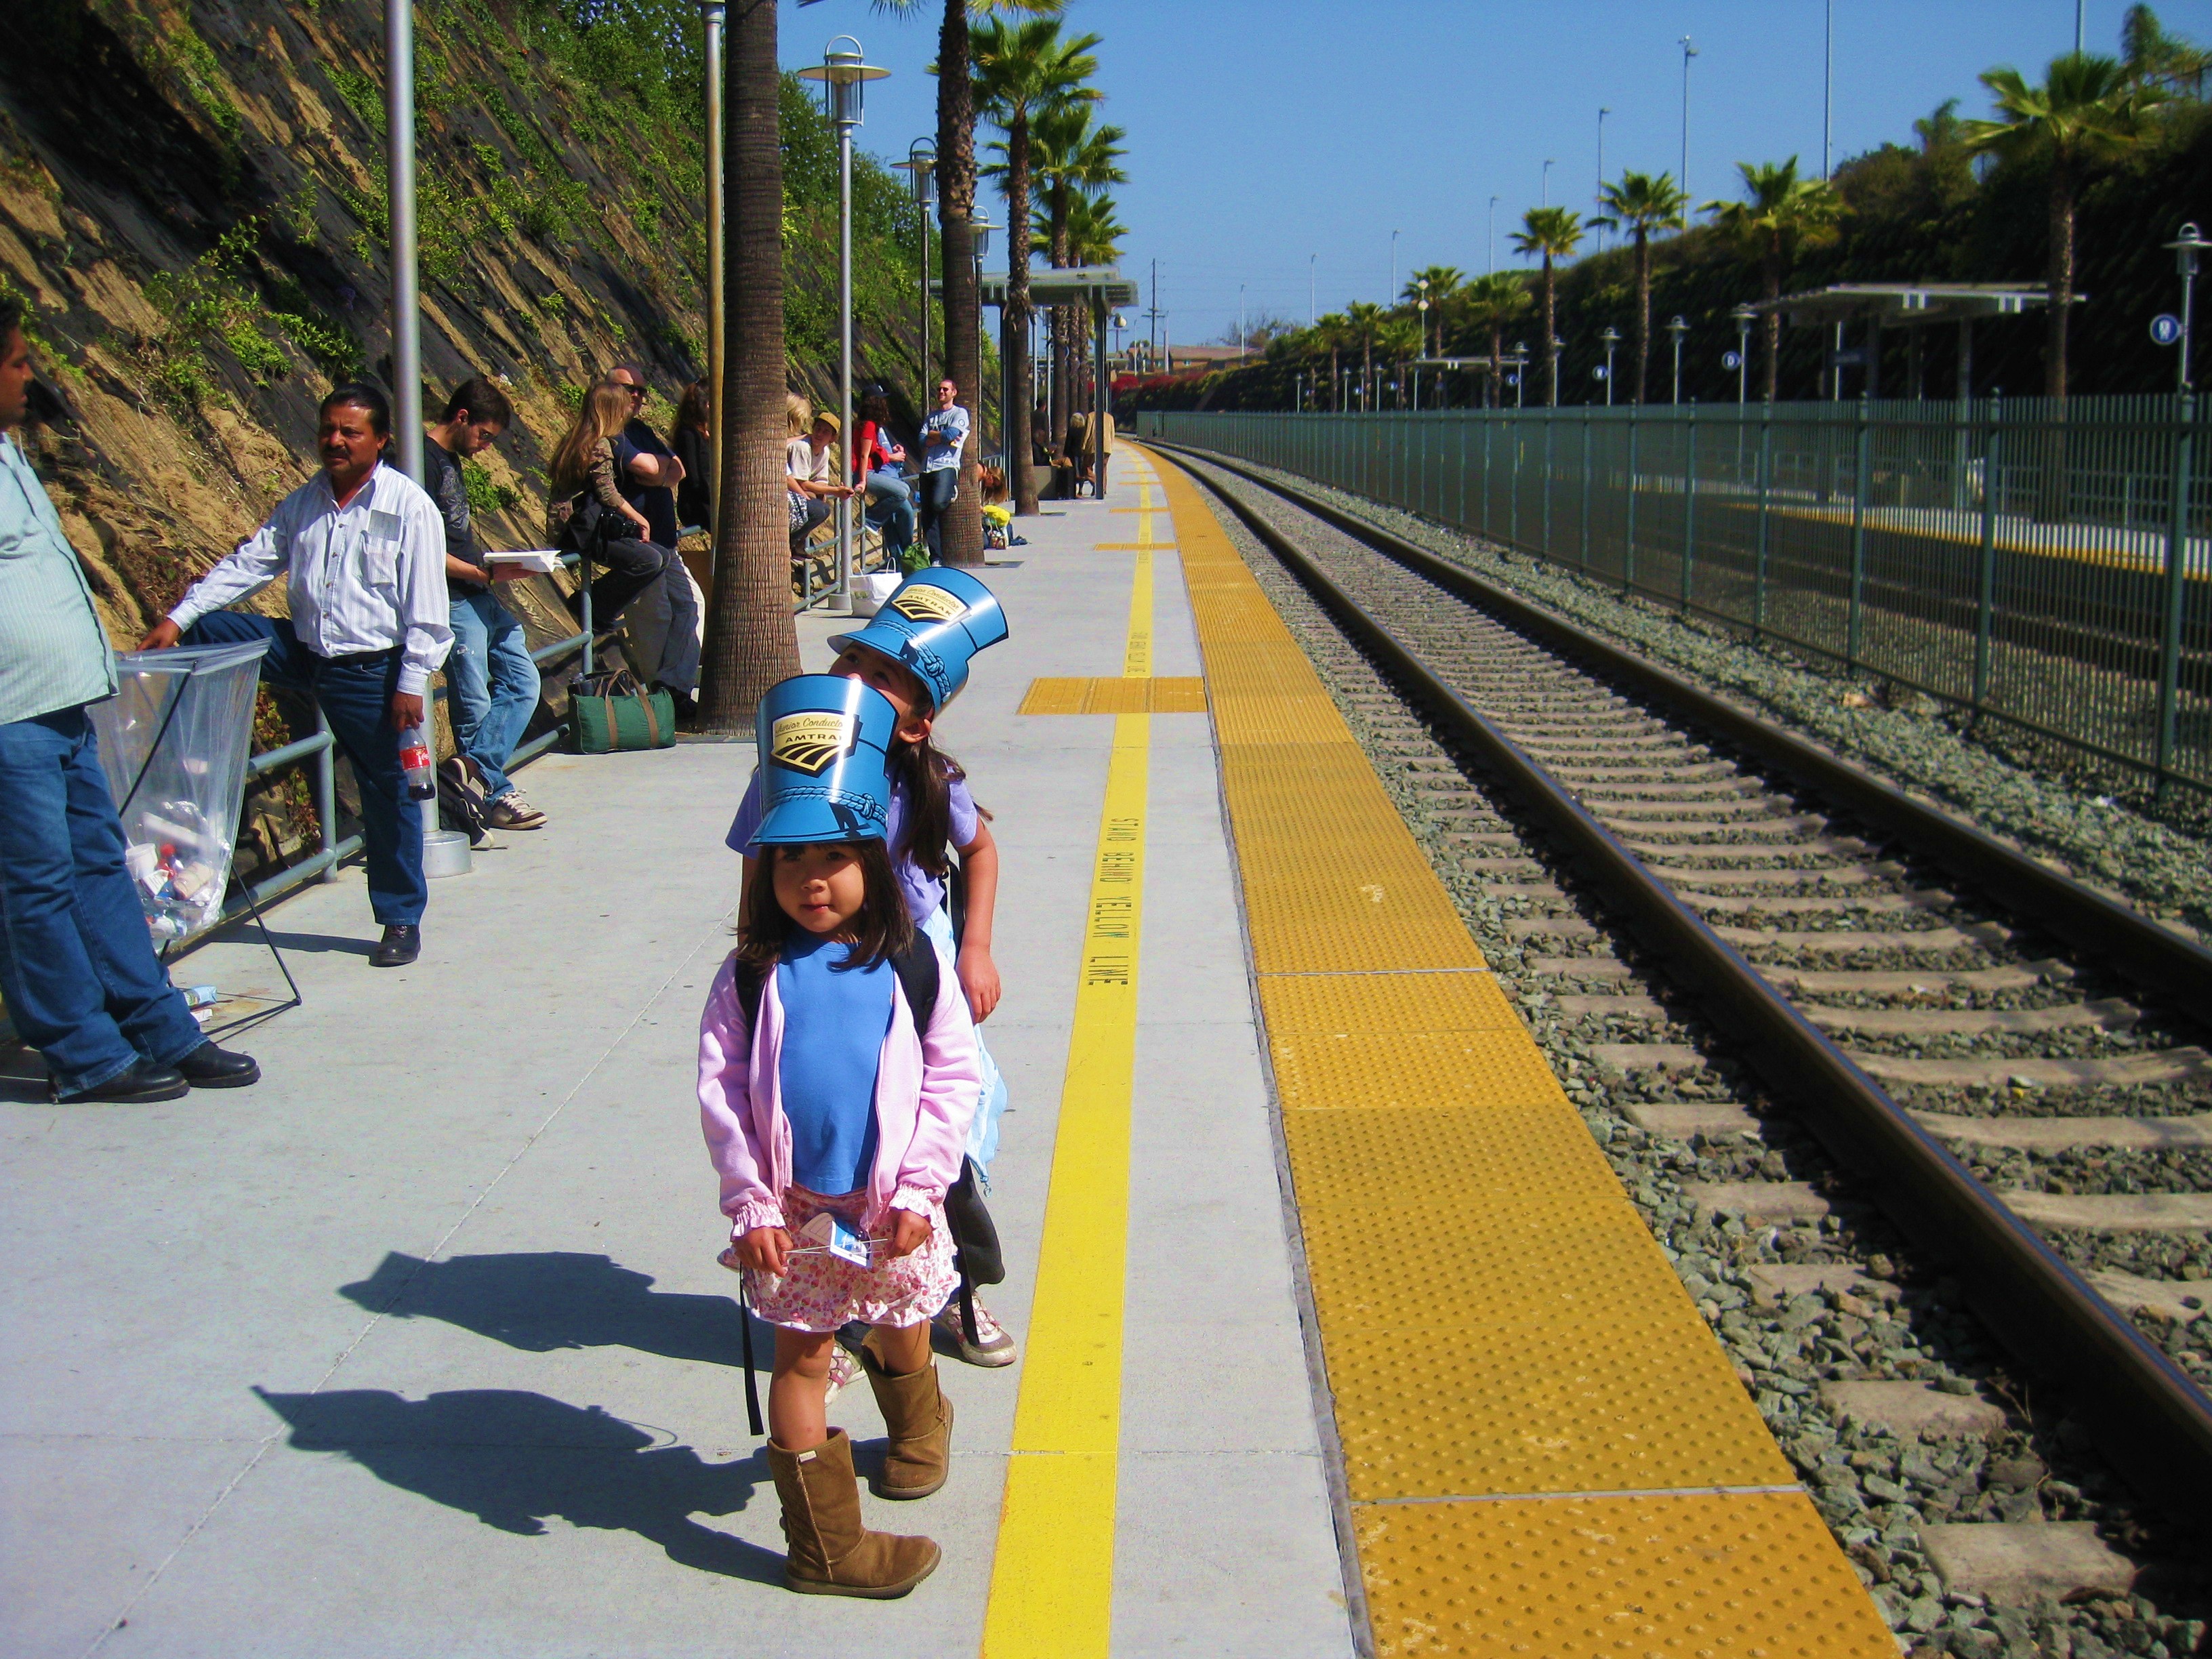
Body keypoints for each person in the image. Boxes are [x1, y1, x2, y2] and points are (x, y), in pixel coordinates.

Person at [700, 672, 979, 1598]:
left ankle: (917, 1424)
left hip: (893, 1207)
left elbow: (951, 1079)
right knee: (803, 1356)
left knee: (903, 1328)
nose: (809, 880)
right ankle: (826, 1549)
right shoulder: (749, 975)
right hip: (797, 1217)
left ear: (872, 858)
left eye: (831, 858)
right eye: (787, 862)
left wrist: (920, 1190)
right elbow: (722, 1095)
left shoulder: (912, 963)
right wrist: (748, 1200)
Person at [726, 568, 1017, 1368]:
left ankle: (959, 1294)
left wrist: (976, 950)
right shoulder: (784, 772)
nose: (856, 681)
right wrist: (756, 963)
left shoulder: (926, 781)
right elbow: (758, 866)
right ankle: (834, 1315)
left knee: (937, 1156)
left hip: (907, 981)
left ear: (919, 723)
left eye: (884, 678)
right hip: (815, 976)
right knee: (826, 1155)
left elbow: (980, 851)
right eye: (854, 662)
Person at [0, 297, 259, 1101]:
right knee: (35, 889)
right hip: (10, 716)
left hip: (65, 705)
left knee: (99, 872)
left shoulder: (9, 451)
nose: (28, 373)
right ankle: (84, 1054)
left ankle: (158, 1027)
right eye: (14, 361)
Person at [141, 384, 450, 970]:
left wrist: (412, 682)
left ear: (380, 441)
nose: (335, 441)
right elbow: (251, 562)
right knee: (212, 631)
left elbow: (428, 610)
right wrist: (179, 617)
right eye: (328, 430)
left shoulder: (409, 508)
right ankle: (184, 747)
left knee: (388, 796)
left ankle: (400, 917)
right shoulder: (305, 502)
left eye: (350, 432)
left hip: (371, 671)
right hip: (307, 652)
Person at [421, 376, 546, 833]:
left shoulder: (448, 460)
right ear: (461, 417)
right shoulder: (418, 462)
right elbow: (418, 546)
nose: (486, 447)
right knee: (472, 695)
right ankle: (493, 795)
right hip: (452, 593)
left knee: (522, 680)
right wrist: (479, 572)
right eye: (484, 435)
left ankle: (468, 770)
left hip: (479, 588)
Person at [608, 365, 699, 720]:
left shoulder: (641, 430)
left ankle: (672, 688)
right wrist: (659, 473)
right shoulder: (611, 433)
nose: (637, 397)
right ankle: (662, 698)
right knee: (655, 618)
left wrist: (659, 472)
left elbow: (678, 470)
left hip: (666, 541)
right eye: (630, 389)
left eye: (642, 391)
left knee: (690, 606)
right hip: (639, 543)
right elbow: (648, 470)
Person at [546, 382, 665, 629]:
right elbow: (607, 493)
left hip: (572, 525)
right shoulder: (600, 445)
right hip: (580, 530)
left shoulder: (575, 438)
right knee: (650, 561)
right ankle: (593, 608)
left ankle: (596, 607)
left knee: (661, 556)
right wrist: (639, 519)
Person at [851, 388, 915, 558]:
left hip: (871, 472)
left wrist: (889, 452)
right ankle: (869, 519)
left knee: (902, 500)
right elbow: (864, 455)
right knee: (903, 491)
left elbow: (874, 451)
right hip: (866, 473)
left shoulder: (871, 426)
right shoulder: (869, 426)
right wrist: (863, 481)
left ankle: (901, 559)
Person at [786, 411, 857, 560]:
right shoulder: (802, 447)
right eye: (818, 428)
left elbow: (820, 480)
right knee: (819, 510)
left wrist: (823, 495)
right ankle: (790, 542)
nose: (819, 434)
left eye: (826, 432)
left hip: (796, 491)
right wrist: (835, 491)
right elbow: (801, 483)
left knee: (822, 507)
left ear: (832, 438)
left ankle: (799, 543)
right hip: (788, 490)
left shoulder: (824, 451)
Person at [916, 377, 968, 564]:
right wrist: (939, 438)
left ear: (954, 392)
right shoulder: (932, 417)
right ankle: (936, 557)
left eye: (946, 389)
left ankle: (951, 489)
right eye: (939, 389)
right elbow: (921, 440)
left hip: (946, 465)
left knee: (938, 503)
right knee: (928, 515)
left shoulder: (960, 414)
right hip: (927, 467)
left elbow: (951, 435)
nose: (942, 392)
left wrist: (934, 436)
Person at [670, 379, 712, 534]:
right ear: (707, 405)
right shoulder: (688, 434)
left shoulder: (705, 434)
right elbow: (695, 479)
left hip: (707, 500)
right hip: (696, 505)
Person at [1079, 404, 1116, 496]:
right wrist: (1111, 446)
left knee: (1087, 468)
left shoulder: (1091, 416)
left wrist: (1083, 446)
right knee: (1103, 468)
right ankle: (1103, 489)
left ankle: (1097, 484)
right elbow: (1112, 434)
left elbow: (1087, 432)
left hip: (1093, 446)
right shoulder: (1110, 417)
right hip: (1107, 447)